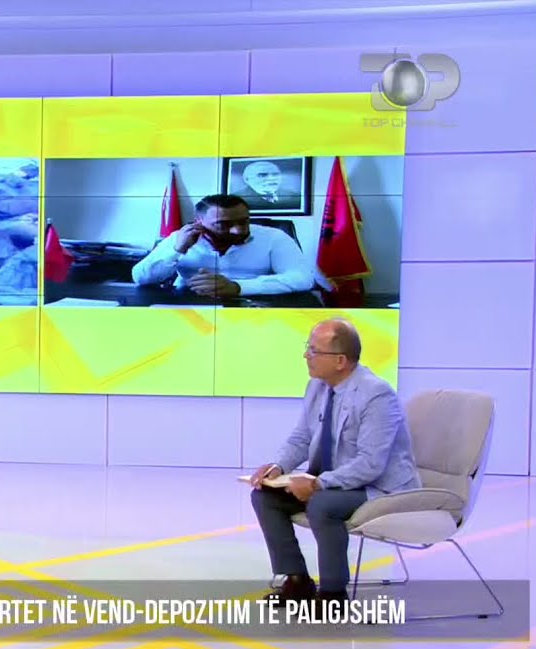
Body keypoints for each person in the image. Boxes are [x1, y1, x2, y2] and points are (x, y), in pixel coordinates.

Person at [247, 319, 421, 604]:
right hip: (332, 480)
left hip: (377, 487)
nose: (306, 355)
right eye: (308, 348)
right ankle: (297, 581)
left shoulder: (377, 394)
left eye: (314, 350)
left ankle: (333, 593)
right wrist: (278, 467)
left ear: (340, 361)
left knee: (322, 505)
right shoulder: (317, 386)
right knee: (265, 497)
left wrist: (318, 483)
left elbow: (370, 464)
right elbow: (302, 437)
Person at [132, 194, 313, 298]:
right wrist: (177, 250)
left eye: (243, 221)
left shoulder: (274, 237)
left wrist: (237, 287)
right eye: (223, 224)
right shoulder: (180, 238)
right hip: (191, 305)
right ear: (199, 221)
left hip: (255, 306)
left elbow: (302, 278)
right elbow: (140, 277)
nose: (237, 230)